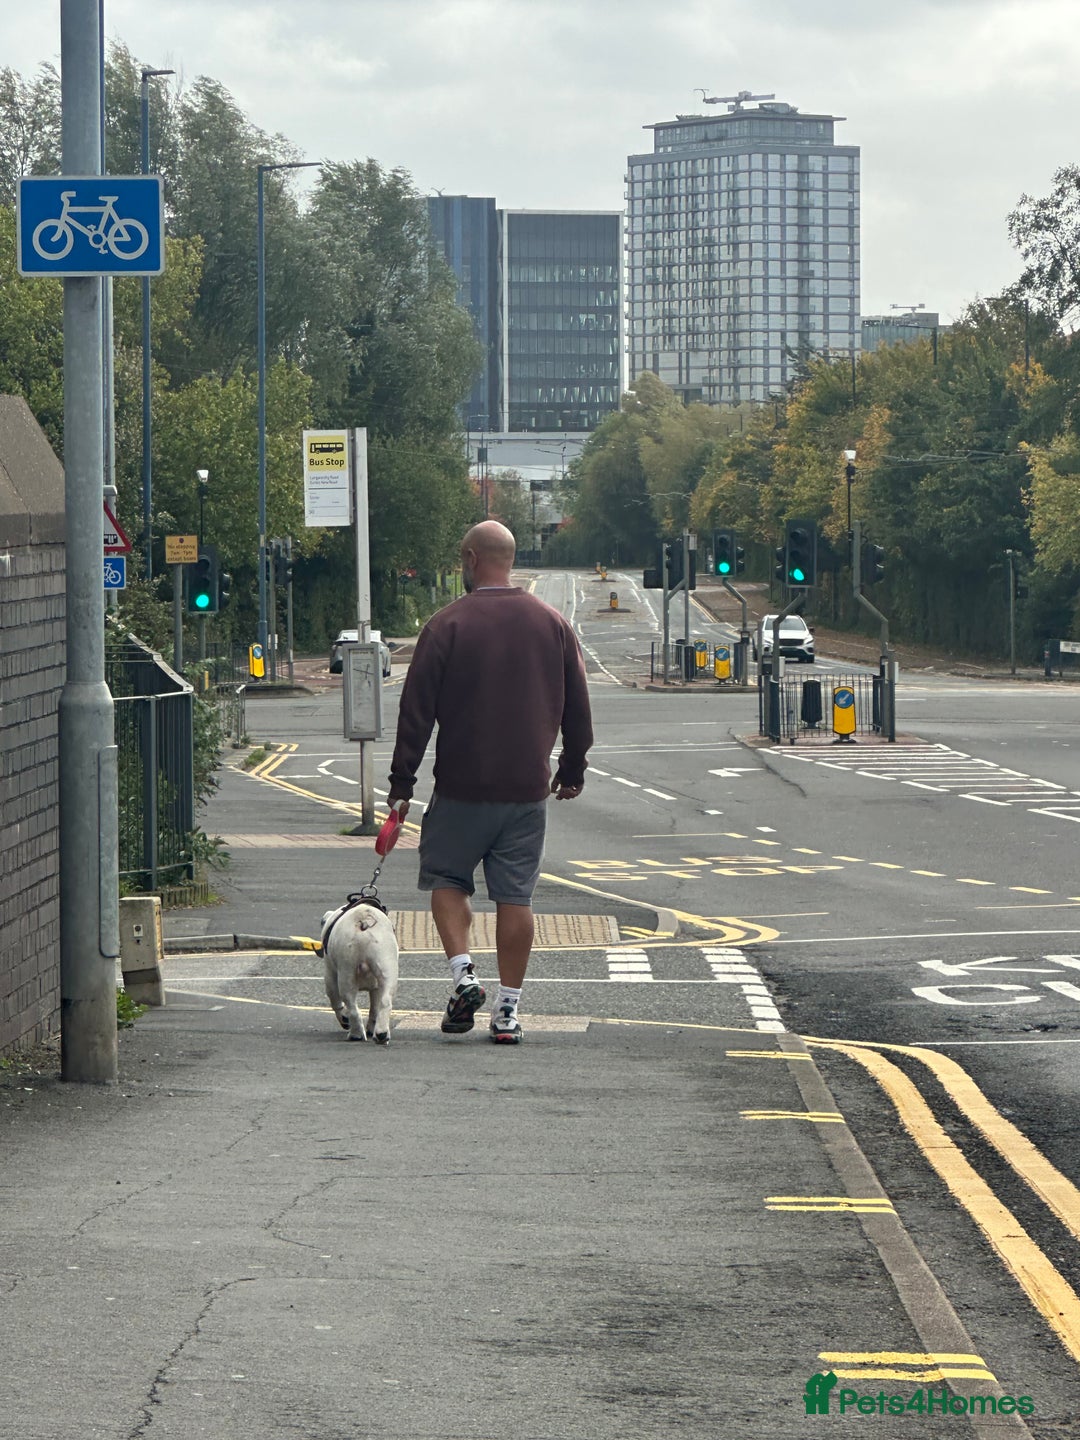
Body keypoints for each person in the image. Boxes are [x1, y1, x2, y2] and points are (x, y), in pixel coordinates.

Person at [387, 521, 593, 1044]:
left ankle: (464, 976)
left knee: (446, 881)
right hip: (526, 792)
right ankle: (508, 1011)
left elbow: (416, 713)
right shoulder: (552, 625)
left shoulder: (446, 625)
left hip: (460, 789)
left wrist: (402, 784)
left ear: (473, 559)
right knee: (515, 898)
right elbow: (579, 711)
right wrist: (571, 771)